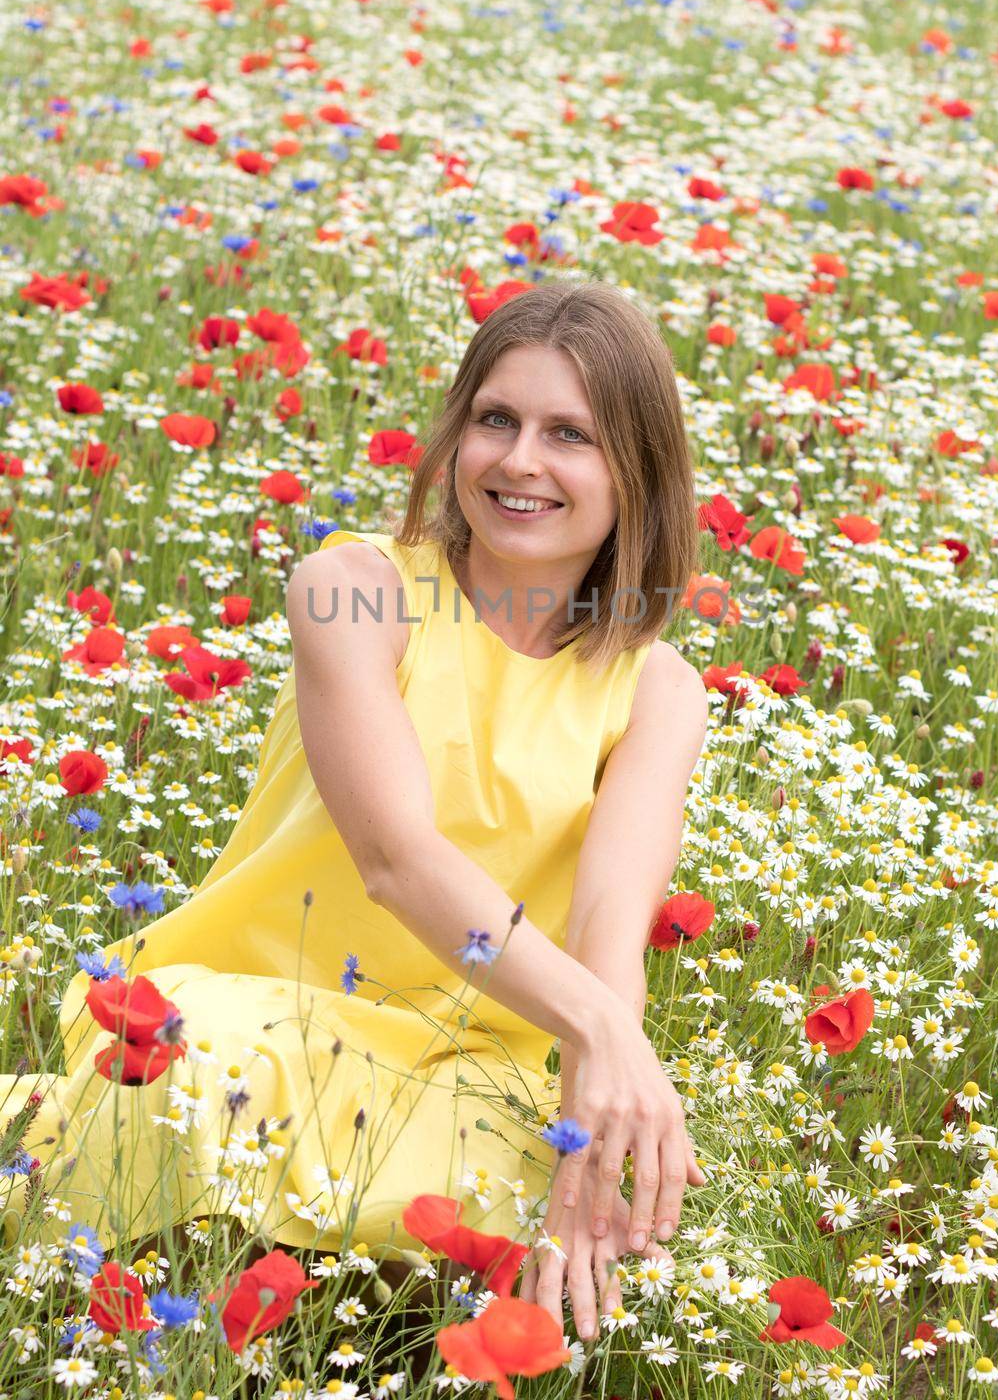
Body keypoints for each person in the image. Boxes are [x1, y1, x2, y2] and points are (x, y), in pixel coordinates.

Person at [0, 279, 709, 1342]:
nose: (520, 461)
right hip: (271, 1011)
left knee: (612, 1202)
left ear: (637, 473)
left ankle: (340, 1306)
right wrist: (608, 1033)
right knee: (189, 1080)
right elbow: (395, 857)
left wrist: (602, 1083)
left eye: (572, 435)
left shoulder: (655, 687)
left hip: (491, 1054)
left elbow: (611, 926)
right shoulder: (353, 590)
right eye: (495, 419)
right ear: (456, 433)